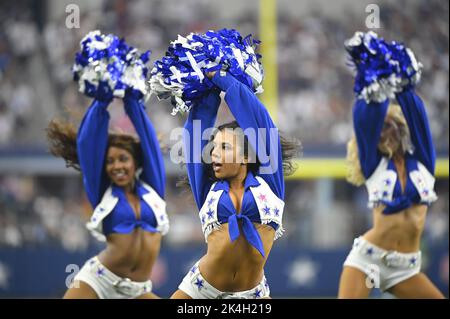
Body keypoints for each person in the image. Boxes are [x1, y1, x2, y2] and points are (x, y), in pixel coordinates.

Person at [171, 70, 299, 299]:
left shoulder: (269, 185)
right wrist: (205, 88)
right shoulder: (207, 188)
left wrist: (223, 78)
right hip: (201, 291)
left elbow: (260, 122)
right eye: (213, 148)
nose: (214, 154)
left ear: (247, 156)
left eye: (225, 148)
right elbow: (195, 133)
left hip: (253, 295)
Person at [47, 86, 169, 299]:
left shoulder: (152, 190)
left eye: (123, 159)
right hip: (98, 281)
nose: (116, 166)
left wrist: (132, 100)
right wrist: (102, 99)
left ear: (135, 162)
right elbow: (87, 144)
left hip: (137, 291)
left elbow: (150, 144)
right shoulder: (103, 191)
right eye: (110, 161)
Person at [338, 84, 444, 298]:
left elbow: (419, 119)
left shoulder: (424, 163)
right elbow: (362, 122)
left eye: (390, 126)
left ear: (401, 127)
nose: (385, 132)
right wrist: (376, 90)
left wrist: (404, 87)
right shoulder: (374, 166)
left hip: (405, 268)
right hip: (368, 261)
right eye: (380, 128)